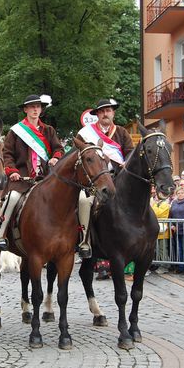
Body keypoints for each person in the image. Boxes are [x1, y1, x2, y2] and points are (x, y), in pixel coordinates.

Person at [0, 94, 64, 251]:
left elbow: (58, 148)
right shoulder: (16, 131)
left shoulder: (49, 130)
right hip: (22, 178)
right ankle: (1, 234)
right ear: (25, 109)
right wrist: (12, 171)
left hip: (45, 177)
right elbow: (7, 154)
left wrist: (55, 158)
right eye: (32, 107)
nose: (35, 110)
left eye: (38, 107)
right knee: (12, 197)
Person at [75, 98, 134, 257]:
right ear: (97, 115)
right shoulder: (85, 134)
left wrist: (126, 163)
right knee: (84, 202)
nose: (105, 114)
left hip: (119, 180)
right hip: (94, 181)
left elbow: (130, 154)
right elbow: (77, 156)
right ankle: (85, 241)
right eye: (102, 111)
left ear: (113, 113)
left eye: (108, 110)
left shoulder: (122, 132)